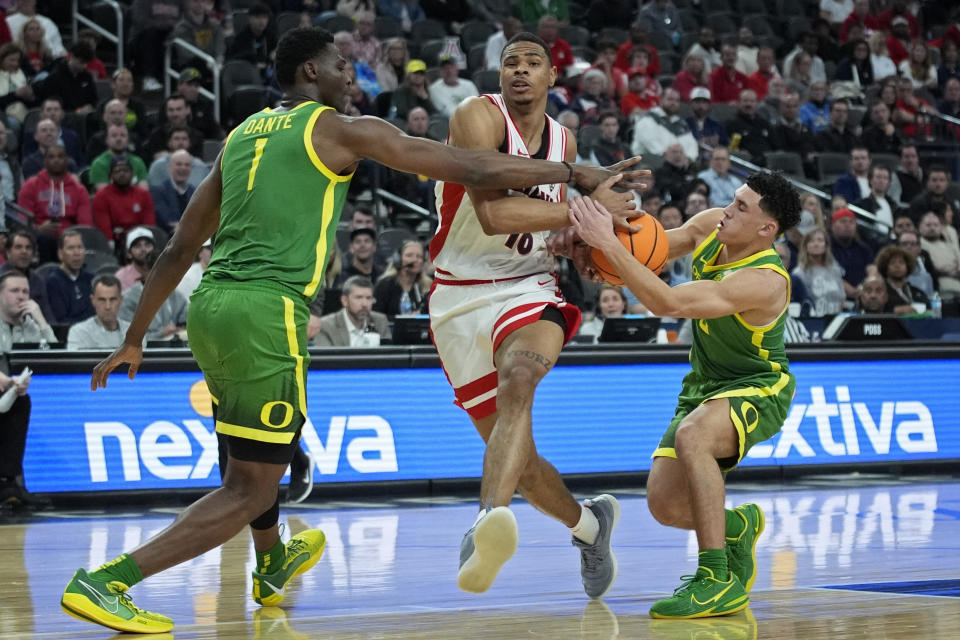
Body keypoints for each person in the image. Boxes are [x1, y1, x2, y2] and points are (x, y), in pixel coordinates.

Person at [64, 26, 647, 633]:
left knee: (260, 446)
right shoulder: (340, 129)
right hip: (269, 310)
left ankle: (273, 562)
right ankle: (108, 582)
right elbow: (460, 164)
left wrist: (133, 337)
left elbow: (181, 245)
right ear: (311, 73)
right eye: (343, 65)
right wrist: (573, 174)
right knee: (248, 485)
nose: (353, 76)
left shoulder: (241, 136)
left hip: (211, 308)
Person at [431, 30, 642, 600]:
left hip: (528, 287)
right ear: (499, 76)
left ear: (552, 78)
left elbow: (546, 225)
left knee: (519, 379)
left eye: (532, 63)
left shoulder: (564, 140)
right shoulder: (475, 115)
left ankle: (484, 525)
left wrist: (586, 239)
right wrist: (582, 196)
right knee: (517, 461)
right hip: (458, 295)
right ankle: (590, 526)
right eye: (510, 63)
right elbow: (496, 211)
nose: (520, 70)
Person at [567, 171, 800, 618]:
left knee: (694, 437)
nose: (728, 210)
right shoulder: (714, 225)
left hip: (757, 386)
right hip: (703, 386)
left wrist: (610, 247)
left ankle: (715, 579)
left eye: (742, 208)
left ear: (767, 229)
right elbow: (652, 249)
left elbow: (669, 304)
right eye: (733, 200)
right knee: (665, 505)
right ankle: (737, 526)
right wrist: (597, 245)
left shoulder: (764, 280)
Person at [0, 269, 54, 509]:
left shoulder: (32, 326)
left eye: (25, 292)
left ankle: (9, 482)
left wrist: (42, 322)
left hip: (12, 395)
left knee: (22, 402)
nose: (21, 297)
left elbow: (56, 359)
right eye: (14, 291)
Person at [17, 145, 92, 262]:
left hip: (70, 239)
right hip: (38, 238)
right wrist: (38, 229)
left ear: (67, 160)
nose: (56, 160)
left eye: (60, 156)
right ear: (45, 161)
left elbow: (85, 224)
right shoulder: (30, 185)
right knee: (44, 239)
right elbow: (22, 220)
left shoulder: (79, 189)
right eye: (51, 157)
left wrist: (69, 236)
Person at [93, 155, 157, 241]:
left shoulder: (144, 195)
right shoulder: (101, 197)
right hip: (114, 241)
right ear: (111, 175)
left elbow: (149, 224)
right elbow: (104, 229)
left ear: (132, 174)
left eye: (126, 170)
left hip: (140, 239)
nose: (122, 174)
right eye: (117, 171)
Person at [314, 275, 391, 346]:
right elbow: (327, 359)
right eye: (359, 297)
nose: (364, 304)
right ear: (345, 301)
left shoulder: (380, 321)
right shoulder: (325, 326)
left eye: (368, 298)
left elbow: (389, 357)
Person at [66, 274, 133, 350]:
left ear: (120, 300)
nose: (108, 306)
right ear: (93, 300)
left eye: (113, 299)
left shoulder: (134, 333)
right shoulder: (79, 332)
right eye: (102, 300)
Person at [0, 231, 54, 322]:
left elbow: (47, 315)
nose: (24, 251)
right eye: (18, 247)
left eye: (28, 248)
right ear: (8, 253)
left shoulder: (38, 281)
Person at [793, 228, 847, 316]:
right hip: (814, 321)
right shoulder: (799, 273)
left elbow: (842, 299)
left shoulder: (835, 270)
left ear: (826, 246)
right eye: (811, 241)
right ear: (806, 246)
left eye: (820, 240)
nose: (816, 244)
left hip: (836, 319)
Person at [45, 229, 94, 325]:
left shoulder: (91, 279)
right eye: (71, 248)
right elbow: (61, 320)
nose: (76, 253)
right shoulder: (52, 282)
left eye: (80, 247)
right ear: (60, 254)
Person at [373, 240, 431, 317]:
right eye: (409, 255)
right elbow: (376, 316)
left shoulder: (428, 285)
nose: (415, 260)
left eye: (419, 256)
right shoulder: (385, 284)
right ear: (398, 259)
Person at [89, 124, 149, 190]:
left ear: (128, 141)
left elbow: (144, 192)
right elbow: (104, 195)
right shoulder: (99, 164)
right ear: (107, 140)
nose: (119, 139)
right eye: (114, 135)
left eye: (123, 135)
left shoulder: (138, 162)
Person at [150, 150, 196, 234]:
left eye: (187, 165)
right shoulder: (158, 191)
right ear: (169, 167)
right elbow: (167, 219)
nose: (183, 168)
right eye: (179, 164)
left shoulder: (195, 191)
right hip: (167, 237)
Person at [875, 244, 929, 313]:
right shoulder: (879, 292)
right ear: (885, 267)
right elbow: (873, 312)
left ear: (907, 266)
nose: (897, 266)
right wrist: (895, 311)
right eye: (892, 263)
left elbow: (930, 310)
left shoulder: (917, 291)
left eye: (901, 262)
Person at [115, 226, 156, 292]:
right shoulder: (121, 277)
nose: (144, 249)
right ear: (129, 253)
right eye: (138, 246)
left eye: (147, 245)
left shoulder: (165, 271)